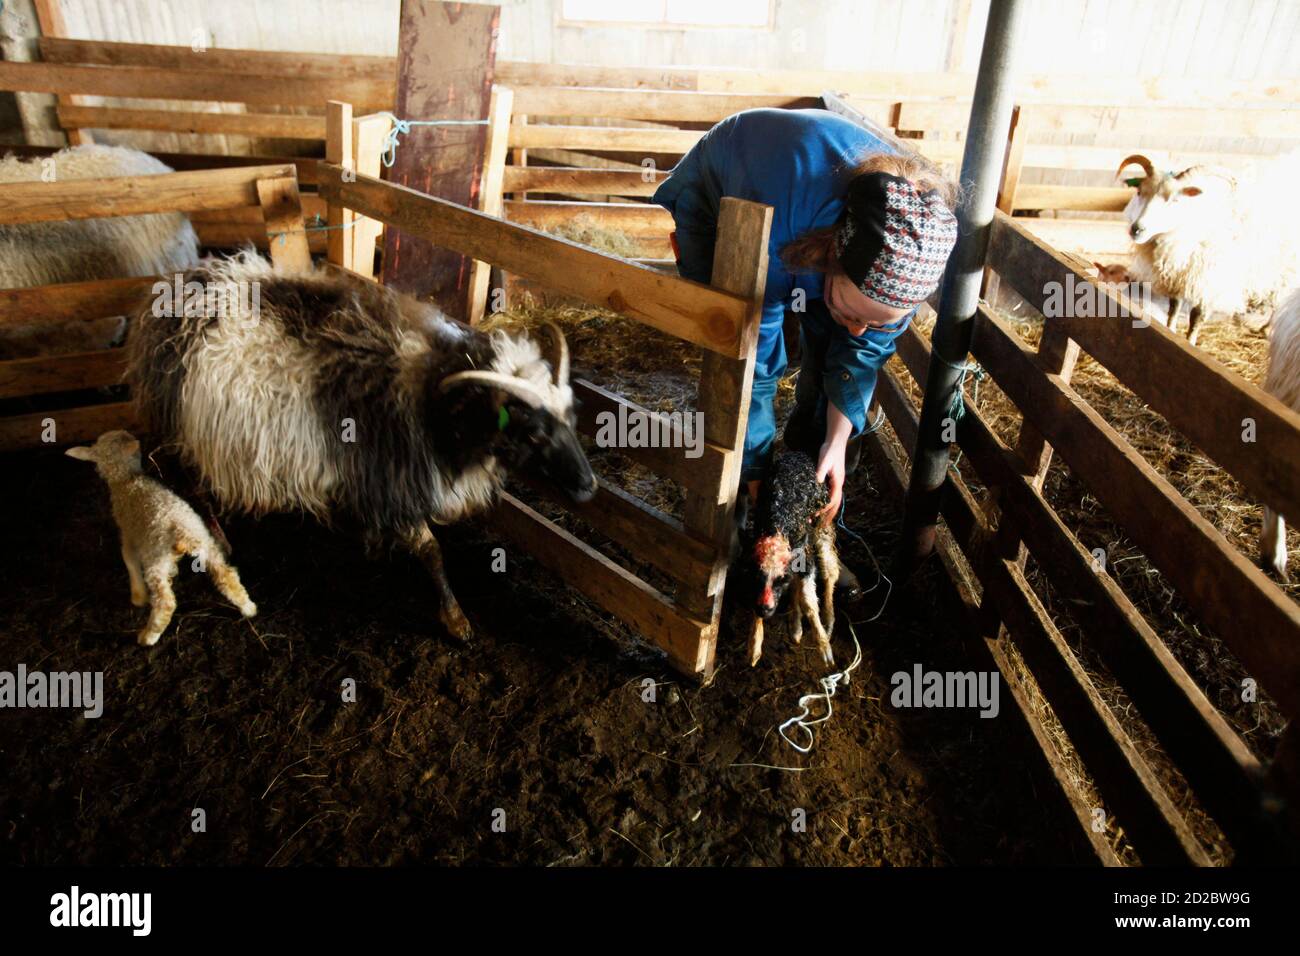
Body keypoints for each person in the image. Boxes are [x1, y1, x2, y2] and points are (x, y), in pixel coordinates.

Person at [654, 108, 959, 591]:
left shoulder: (907, 242)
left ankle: (803, 532)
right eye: (856, 312)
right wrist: (755, 468)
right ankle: (730, 525)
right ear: (829, 257)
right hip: (735, 191)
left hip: (817, 226)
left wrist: (836, 444)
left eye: (878, 321)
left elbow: (862, 351)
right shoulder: (781, 223)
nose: (862, 330)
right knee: (734, 340)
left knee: (835, 349)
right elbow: (753, 350)